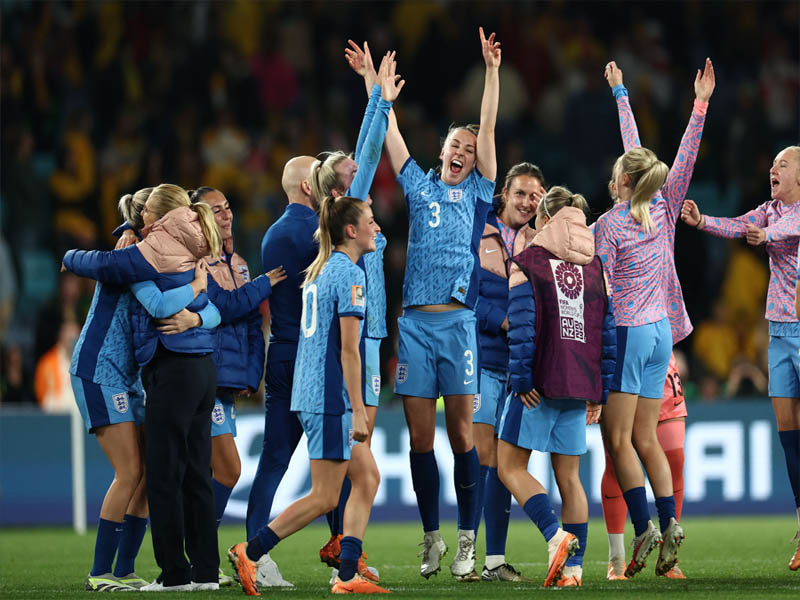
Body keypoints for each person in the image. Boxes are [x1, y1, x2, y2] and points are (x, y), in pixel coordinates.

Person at [381, 27, 500, 580]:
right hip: (414, 328)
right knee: (420, 441)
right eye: (455, 144)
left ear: (477, 163)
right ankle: (431, 538)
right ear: (443, 150)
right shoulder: (420, 187)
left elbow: (489, 125)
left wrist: (492, 72)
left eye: (469, 149)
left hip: (458, 326)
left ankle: (467, 543)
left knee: (462, 438)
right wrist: (377, 96)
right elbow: (393, 137)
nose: (461, 151)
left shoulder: (478, 192)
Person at [63, 183, 224, 591]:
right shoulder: (134, 254)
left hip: (129, 374)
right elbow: (132, 287)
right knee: (133, 471)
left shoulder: (161, 252)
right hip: (100, 367)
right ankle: (101, 572)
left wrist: (197, 314)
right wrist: (196, 290)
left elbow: (216, 309)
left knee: (151, 475)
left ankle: (124, 570)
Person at [228, 196, 388, 596]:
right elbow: (349, 351)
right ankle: (250, 551)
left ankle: (348, 575)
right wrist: (357, 411)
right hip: (328, 396)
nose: (377, 227)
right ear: (350, 230)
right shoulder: (351, 275)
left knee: (367, 477)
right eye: (371, 220)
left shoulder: (321, 270)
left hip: (311, 389)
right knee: (323, 496)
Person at [595, 58, 714, 578]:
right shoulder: (664, 206)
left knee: (617, 440)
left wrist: (620, 94)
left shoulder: (608, 225)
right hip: (663, 334)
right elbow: (681, 153)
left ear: (621, 179)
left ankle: (643, 526)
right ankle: (672, 524)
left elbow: (601, 293)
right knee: (647, 437)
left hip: (627, 331)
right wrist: (700, 104)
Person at [683, 144, 800, 571]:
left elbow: (790, 229)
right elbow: (737, 226)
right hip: (780, 334)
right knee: (789, 435)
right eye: (771, 164)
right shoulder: (768, 211)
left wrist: (767, 237)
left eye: (782, 165)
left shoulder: (783, 221)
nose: (772, 169)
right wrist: (701, 221)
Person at [311, 49, 402, 581]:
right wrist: (378, 99)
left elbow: (364, 154)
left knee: (354, 464)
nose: (359, 166)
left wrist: (374, 90)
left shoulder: (346, 224)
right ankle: (338, 551)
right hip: (355, 342)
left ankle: (343, 550)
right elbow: (369, 153)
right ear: (338, 188)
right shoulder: (348, 216)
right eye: (347, 169)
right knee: (354, 456)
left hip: (368, 336)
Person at [498, 186, 616, 588]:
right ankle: (574, 571)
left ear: (544, 221)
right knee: (570, 478)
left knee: (508, 466)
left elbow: (523, 328)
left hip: (539, 382)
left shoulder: (527, 262)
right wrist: (600, 389)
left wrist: (523, 378)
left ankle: (554, 536)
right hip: (581, 382)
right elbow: (607, 332)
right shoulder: (596, 267)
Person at [187, 187, 287, 586]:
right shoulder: (198, 263)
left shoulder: (240, 263)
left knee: (213, 470)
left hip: (227, 380)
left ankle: (198, 558)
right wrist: (261, 287)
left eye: (228, 207)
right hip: (204, 374)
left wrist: (250, 374)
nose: (226, 214)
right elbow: (225, 307)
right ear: (200, 219)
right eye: (216, 210)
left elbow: (247, 324)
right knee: (228, 469)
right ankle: (198, 554)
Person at [244, 155, 318, 588]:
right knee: (336, 461)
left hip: (282, 352)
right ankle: (345, 553)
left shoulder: (272, 235)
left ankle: (254, 556)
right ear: (310, 186)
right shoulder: (320, 232)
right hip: (315, 357)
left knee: (273, 461)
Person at [470, 162, 545, 583]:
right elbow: (462, 293)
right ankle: (472, 551)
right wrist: (503, 320)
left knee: (504, 462)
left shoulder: (541, 242)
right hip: (482, 362)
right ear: (504, 193)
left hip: (518, 368)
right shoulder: (477, 230)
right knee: (487, 458)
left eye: (535, 196)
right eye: (520, 193)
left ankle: (493, 561)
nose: (527, 202)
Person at [602, 352, 688, 580]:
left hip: (659, 360)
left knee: (675, 459)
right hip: (622, 351)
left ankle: (669, 557)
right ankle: (616, 559)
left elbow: (677, 326)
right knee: (615, 461)